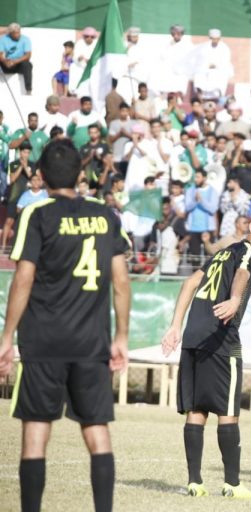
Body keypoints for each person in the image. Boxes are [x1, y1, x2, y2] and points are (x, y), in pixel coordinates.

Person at [0, 139, 131, 512]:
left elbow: (23, 278)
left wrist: (6, 337)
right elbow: (121, 281)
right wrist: (121, 337)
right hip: (91, 343)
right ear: (80, 174)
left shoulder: (36, 214)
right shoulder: (106, 216)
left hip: (43, 342)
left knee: (35, 431)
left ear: (40, 176)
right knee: (97, 430)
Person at [161, 205, 251, 499]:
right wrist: (235, 299)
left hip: (193, 336)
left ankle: (195, 482)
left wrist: (176, 326)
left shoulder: (223, 252)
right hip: (220, 338)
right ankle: (232, 484)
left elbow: (190, 282)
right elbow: (242, 273)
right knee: (228, 411)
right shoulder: (247, 251)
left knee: (197, 410)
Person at [185, 169, 219, 258]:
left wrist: (201, 200)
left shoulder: (212, 191)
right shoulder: (190, 190)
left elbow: (213, 209)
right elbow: (187, 207)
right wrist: (195, 201)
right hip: (193, 229)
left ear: (204, 178)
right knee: (194, 257)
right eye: (195, 177)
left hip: (207, 229)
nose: (195, 179)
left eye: (198, 177)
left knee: (209, 257)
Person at [193, 29, 233, 99]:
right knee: (198, 74)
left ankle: (217, 95)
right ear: (210, 38)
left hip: (219, 69)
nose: (215, 41)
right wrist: (206, 65)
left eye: (216, 39)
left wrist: (216, 65)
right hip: (206, 68)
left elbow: (225, 62)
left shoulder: (224, 48)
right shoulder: (204, 47)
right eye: (213, 39)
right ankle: (201, 96)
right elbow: (200, 59)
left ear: (219, 39)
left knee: (219, 74)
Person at [0, 22, 33, 94]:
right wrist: (5, 61)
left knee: (27, 65)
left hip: (19, 63)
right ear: (11, 33)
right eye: (16, 33)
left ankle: (28, 90)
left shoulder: (25, 39)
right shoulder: (3, 39)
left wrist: (15, 62)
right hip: (7, 63)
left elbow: (28, 55)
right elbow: (0, 54)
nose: (18, 35)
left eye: (19, 32)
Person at [69, 26, 98, 95]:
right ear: (84, 37)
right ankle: (75, 91)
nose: (89, 38)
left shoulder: (96, 44)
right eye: (87, 36)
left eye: (92, 37)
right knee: (74, 68)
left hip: (92, 67)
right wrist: (79, 58)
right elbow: (75, 57)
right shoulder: (79, 43)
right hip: (79, 67)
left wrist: (91, 61)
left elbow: (98, 56)